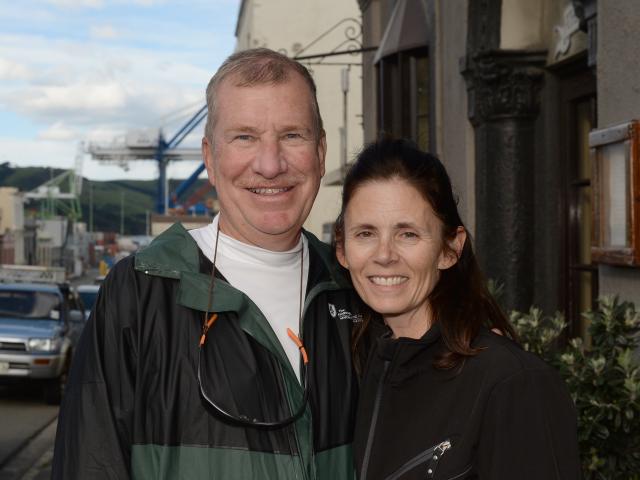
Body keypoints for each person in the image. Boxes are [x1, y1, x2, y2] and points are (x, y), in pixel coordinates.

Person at [53, 48, 364, 479]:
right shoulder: (141, 293)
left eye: (292, 135)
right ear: (209, 157)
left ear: (321, 150)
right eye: (244, 137)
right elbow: (90, 462)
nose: (270, 164)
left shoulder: (355, 291)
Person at [334, 138, 581, 480]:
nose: (385, 254)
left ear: (450, 248)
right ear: (342, 250)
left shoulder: (511, 382)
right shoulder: (368, 365)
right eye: (365, 233)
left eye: (407, 234)